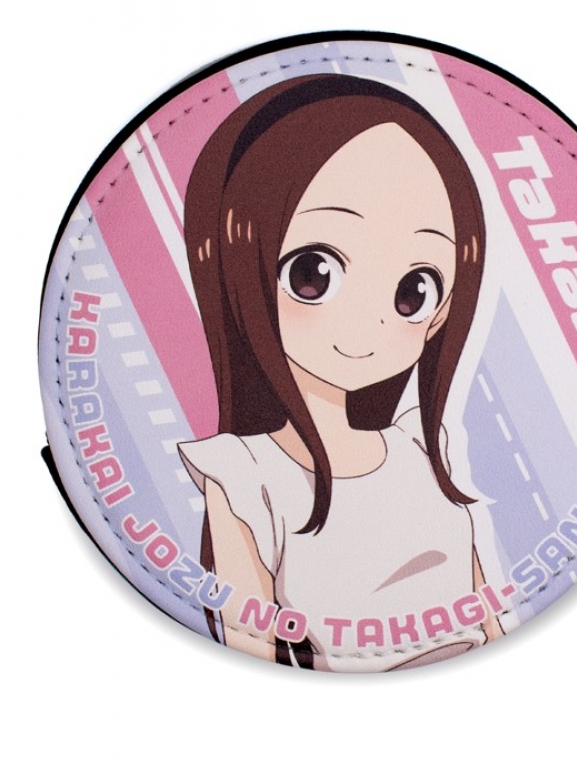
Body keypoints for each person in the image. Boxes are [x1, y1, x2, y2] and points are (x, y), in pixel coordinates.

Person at [179, 74, 500, 671]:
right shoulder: (245, 476)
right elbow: (250, 648)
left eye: (413, 289)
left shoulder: (423, 449)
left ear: (443, 308)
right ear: (239, 263)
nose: (367, 323)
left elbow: (490, 612)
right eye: (314, 273)